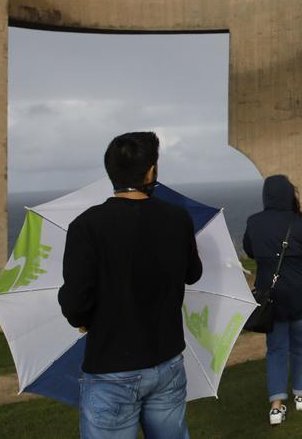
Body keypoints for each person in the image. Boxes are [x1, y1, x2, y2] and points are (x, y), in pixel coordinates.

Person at [59, 131, 203, 439]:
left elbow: (75, 301)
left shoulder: (86, 226)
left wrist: (82, 320)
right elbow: (193, 273)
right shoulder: (177, 218)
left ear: (110, 171)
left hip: (111, 368)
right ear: (151, 170)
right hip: (167, 362)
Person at [243, 176, 302, 426]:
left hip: (271, 296)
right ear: (289, 194)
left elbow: (250, 250)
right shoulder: (298, 222)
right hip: (299, 294)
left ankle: (276, 407)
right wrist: (301, 274)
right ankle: (301, 395)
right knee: (301, 346)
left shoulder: (254, 222)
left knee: (275, 350)